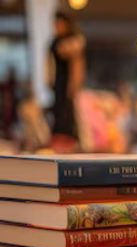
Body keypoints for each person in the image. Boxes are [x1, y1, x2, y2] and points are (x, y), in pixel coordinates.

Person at [48, 11, 85, 148]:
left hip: (68, 84)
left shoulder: (73, 41)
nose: (56, 27)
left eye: (59, 24)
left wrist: (74, 85)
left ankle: (68, 142)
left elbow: (77, 65)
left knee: (67, 112)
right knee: (58, 111)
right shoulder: (54, 41)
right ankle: (58, 140)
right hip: (57, 82)